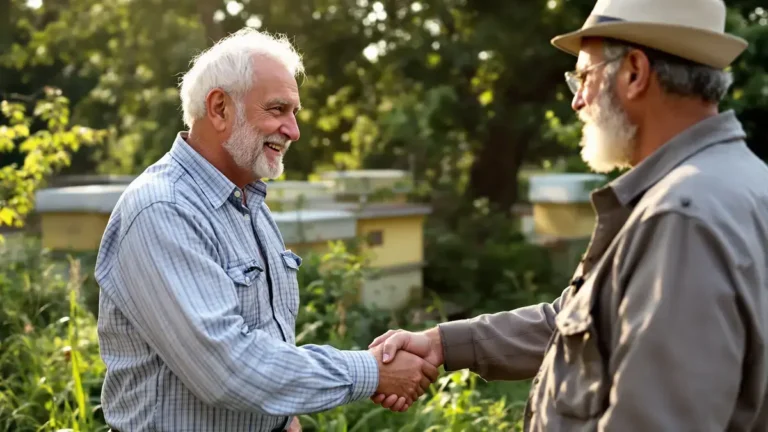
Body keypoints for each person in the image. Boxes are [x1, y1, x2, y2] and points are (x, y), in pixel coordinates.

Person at [370, 0, 768, 430]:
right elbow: (582, 322)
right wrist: (443, 344)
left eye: (584, 76)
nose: (577, 101)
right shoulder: (735, 182)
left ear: (634, 73)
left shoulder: (680, 217)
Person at [93, 28, 437, 432]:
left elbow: (264, 340)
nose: (293, 131)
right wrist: (373, 372)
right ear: (219, 108)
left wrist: (283, 416)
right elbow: (227, 368)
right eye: (277, 110)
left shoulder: (249, 203)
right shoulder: (163, 210)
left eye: (294, 113)